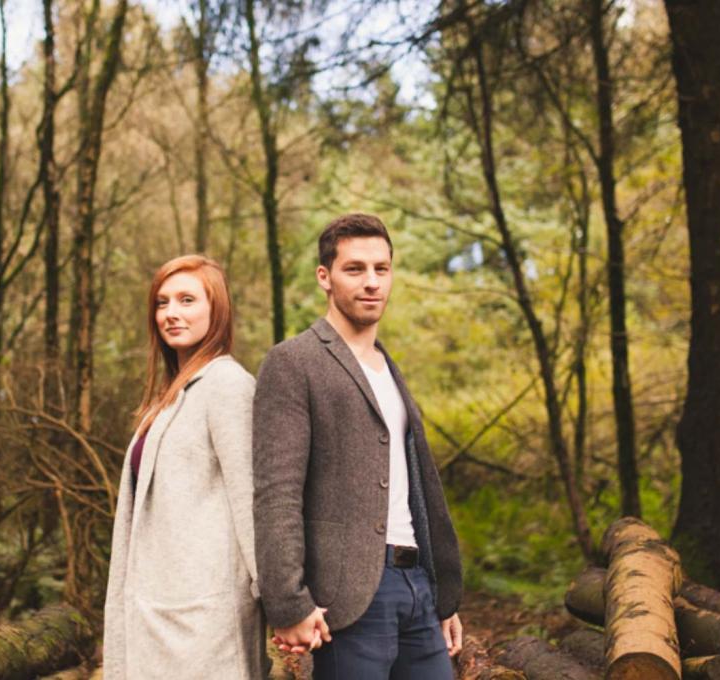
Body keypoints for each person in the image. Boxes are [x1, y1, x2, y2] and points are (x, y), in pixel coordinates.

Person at [253, 213, 464, 679]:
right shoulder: (293, 362)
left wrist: (444, 594)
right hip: (348, 599)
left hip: (418, 588)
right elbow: (276, 493)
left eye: (381, 269)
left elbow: (419, 488)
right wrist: (288, 602)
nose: (372, 283)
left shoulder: (390, 368)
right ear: (324, 277)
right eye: (355, 269)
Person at [103, 255, 265, 680]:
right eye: (162, 302)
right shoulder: (169, 398)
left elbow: (252, 502)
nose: (171, 313)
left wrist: (278, 598)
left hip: (204, 627)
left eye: (187, 300)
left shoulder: (228, 386)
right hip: (153, 617)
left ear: (218, 310)